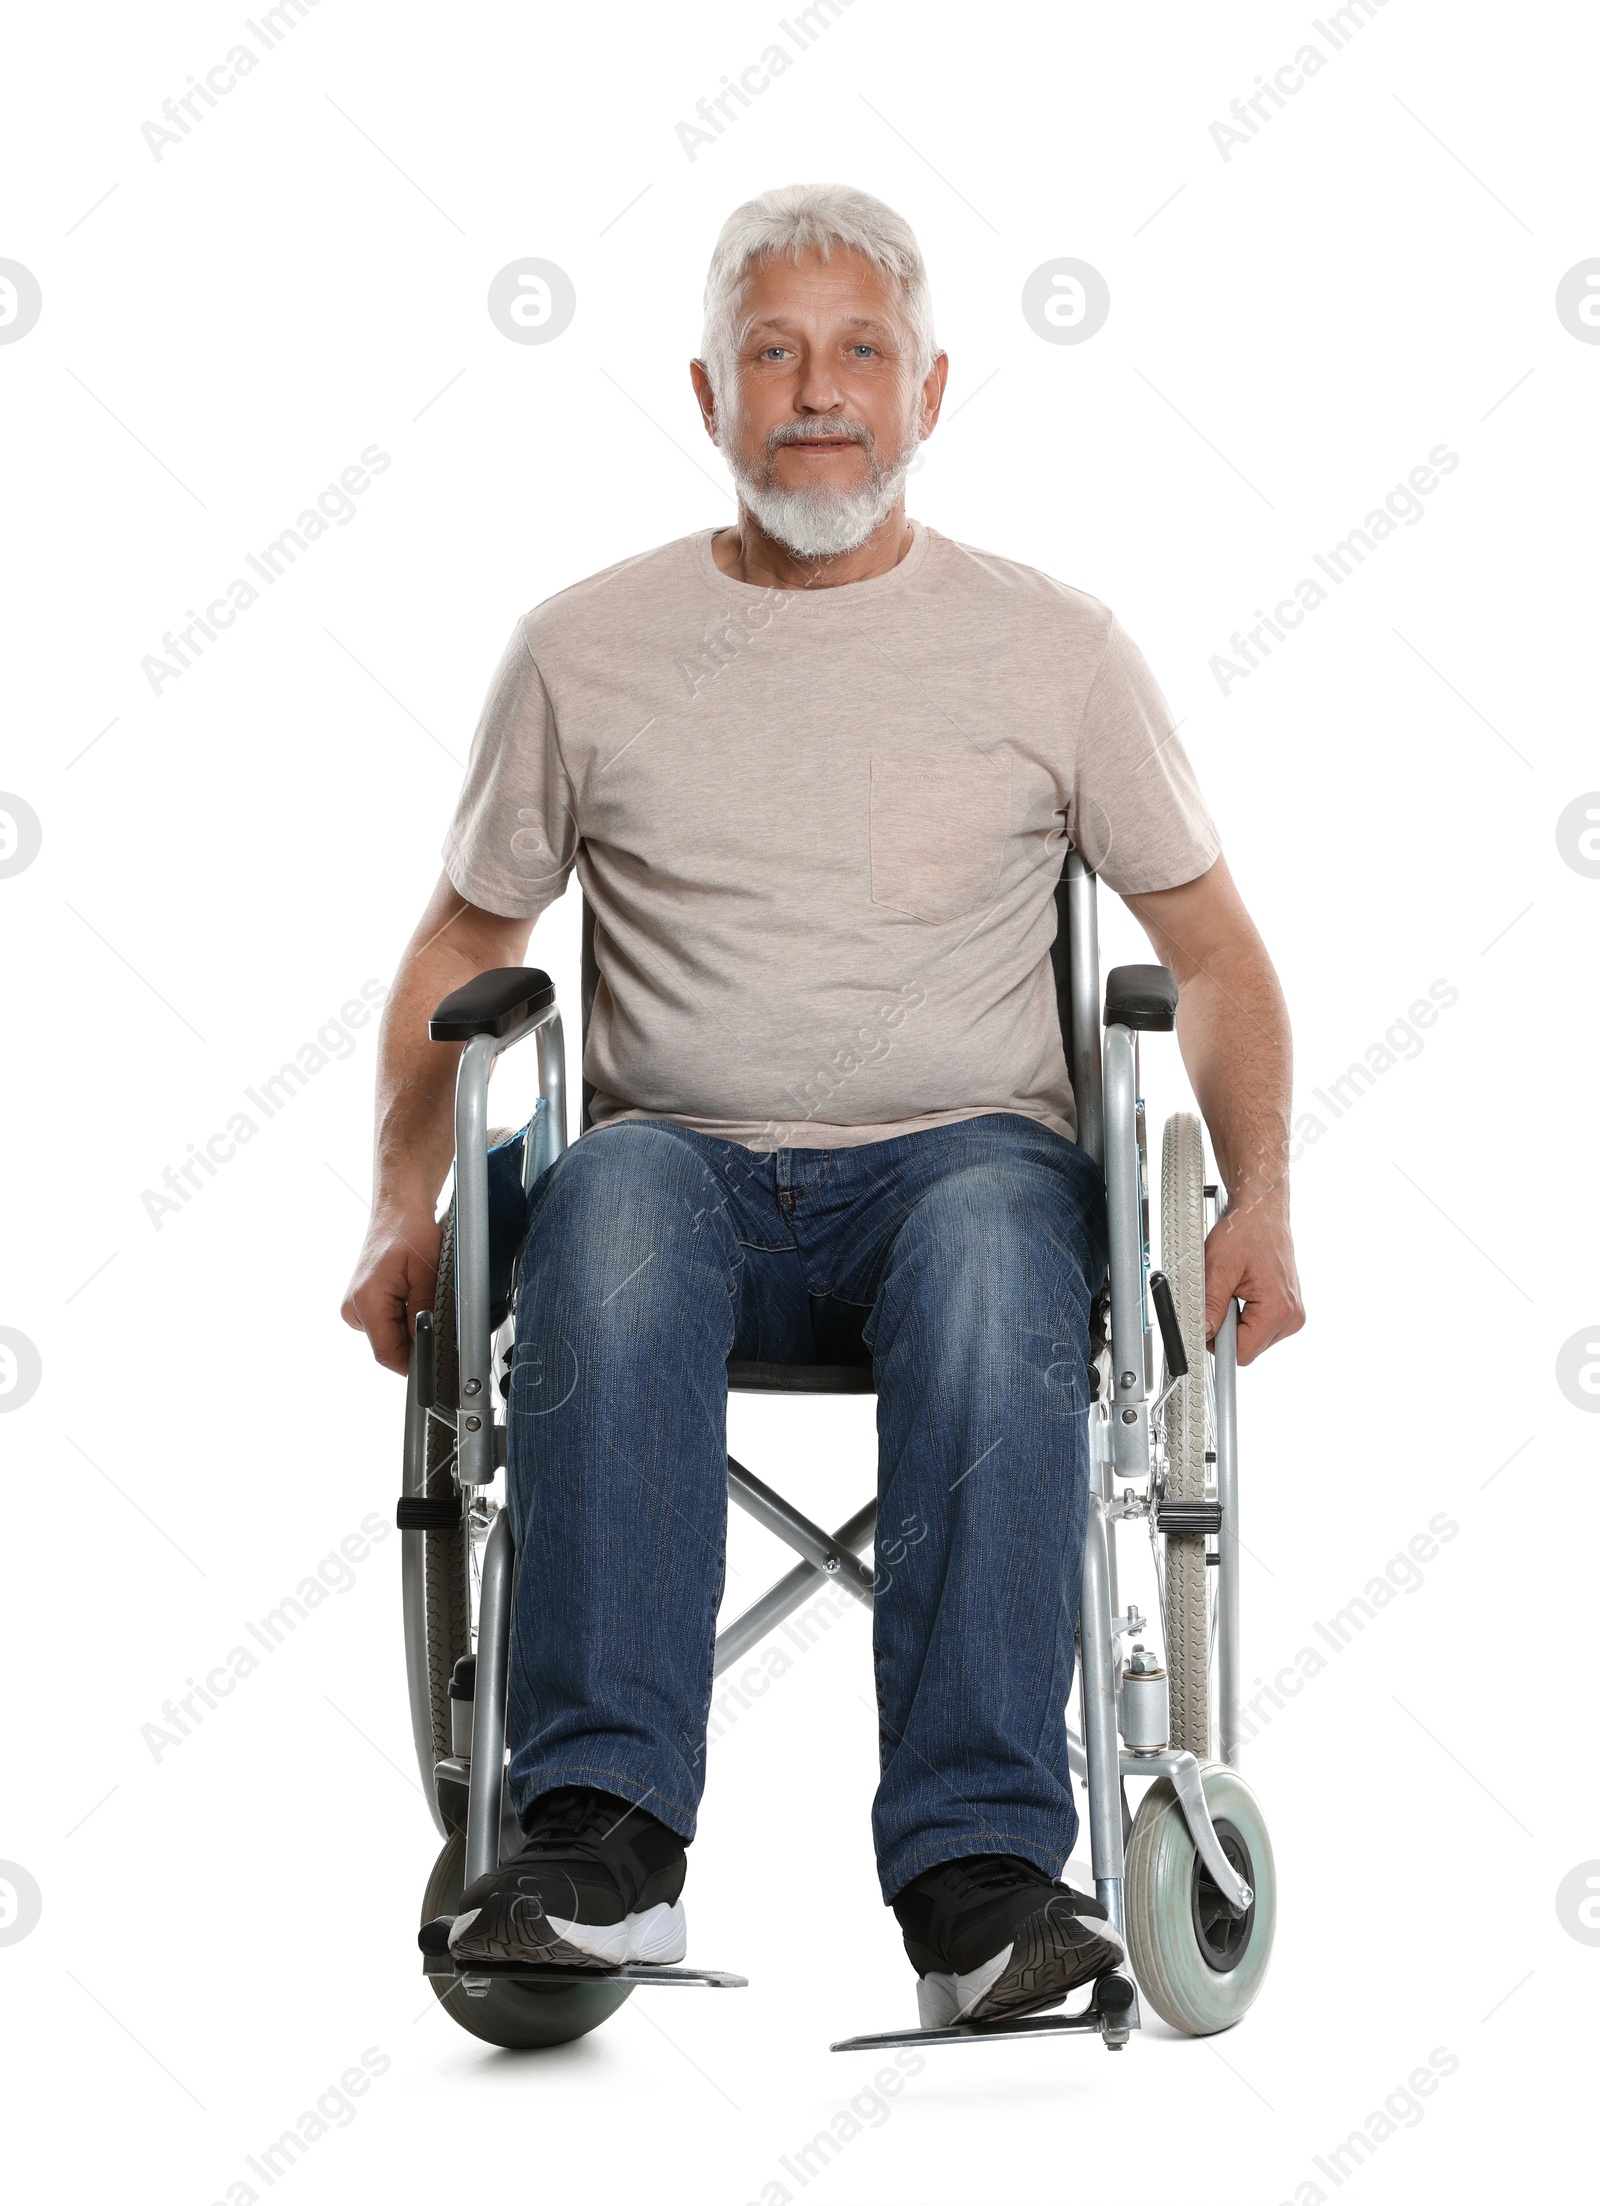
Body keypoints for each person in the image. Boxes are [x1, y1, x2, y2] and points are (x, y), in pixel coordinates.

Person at [342, 182, 1304, 2029]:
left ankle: (984, 1875)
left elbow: (1221, 956)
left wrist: (1256, 1191)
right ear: (704, 392)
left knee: (995, 1242)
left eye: (860, 349)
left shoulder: (1059, 652)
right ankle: (595, 1842)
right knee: (610, 1202)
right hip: (674, 1180)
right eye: (769, 350)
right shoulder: (580, 647)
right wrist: (405, 1209)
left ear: (932, 391)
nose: (817, 390)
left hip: (965, 1174)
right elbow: (463, 941)